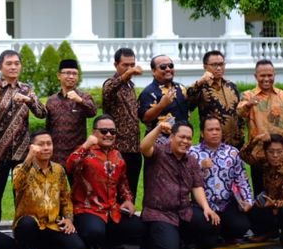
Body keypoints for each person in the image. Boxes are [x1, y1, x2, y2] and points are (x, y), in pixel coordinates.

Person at [67, 115, 144, 249]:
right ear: (94, 132)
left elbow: (123, 182)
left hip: (111, 209)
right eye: (103, 131)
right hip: (87, 209)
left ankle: (106, 241)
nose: (108, 134)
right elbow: (70, 166)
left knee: (139, 228)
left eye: (112, 131)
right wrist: (86, 145)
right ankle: (89, 245)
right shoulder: (84, 152)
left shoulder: (117, 155)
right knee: (93, 232)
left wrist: (128, 200)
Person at [139, 121, 219, 249]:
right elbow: (144, 147)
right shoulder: (158, 152)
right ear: (171, 137)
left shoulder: (191, 160)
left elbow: (197, 186)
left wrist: (206, 208)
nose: (185, 141)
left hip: (183, 211)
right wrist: (158, 128)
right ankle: (148, 242)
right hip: (160, 213)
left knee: (209, 228)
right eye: (181, 137)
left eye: (189, 138)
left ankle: (180, 239)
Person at [12, 129, 86, 249]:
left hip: (52, 223)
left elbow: (65, 197)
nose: (46, 147)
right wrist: (29, 158)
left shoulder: (58, 169)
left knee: (77, 248)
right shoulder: (21, 168)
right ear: (32, 147)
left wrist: (68, 219)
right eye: (41, 144)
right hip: (29, 225)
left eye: (49, 144)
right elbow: (17, 184)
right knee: (27, 223)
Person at [0, 50, 45, 228]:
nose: (13, 67)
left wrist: (29, 100)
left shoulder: (27, 89)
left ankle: (23, 237)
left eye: (16, 63)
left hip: (22, 153)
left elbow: (42, 113)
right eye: (9, 63)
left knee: (23, 197)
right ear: (0, 67)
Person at [237, 60, 283, 193]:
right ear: (255, 76)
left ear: (274, 75)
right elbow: (240, 112)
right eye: (262, 75)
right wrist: (248, 104)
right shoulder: (248, 95)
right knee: (261, 195)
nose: (266, 79)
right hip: (259, 155)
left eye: (269, 75)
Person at [187, 117, 252, 247]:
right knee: (207, 242)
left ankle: (225, 234)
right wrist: (200, 166)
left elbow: (242, 179)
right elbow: (185, 180)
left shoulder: (233, 152)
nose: (215, 132)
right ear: (202, 133)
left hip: (226, 204)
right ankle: (211, 234)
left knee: (241, 226)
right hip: (204, 206)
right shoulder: (192, 153)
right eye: (210, 130)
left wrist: (248, 201)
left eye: (217, 129)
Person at [240, 133, 283, 249]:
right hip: (269, 208)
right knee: (250, 208)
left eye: (279, 152)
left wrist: (274, 204)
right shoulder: (264, 165)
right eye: (271, 152)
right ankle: (266, 232)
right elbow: (243, 155)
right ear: (265, 152)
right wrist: (256, 139)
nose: (275, 155)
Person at [102, 47, 144, 197]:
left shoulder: (130, 86)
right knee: (116, 192)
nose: (129, 68)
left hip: (134, 148)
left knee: (131, 191)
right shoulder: (111, 84)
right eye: (125, 65)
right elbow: (108, 91)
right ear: (115, 65)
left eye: (132, 65)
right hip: (117, 149)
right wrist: (128, 74)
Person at [45, 59, 97, 170]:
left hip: (77, 154)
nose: (71, 76)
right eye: (67, 73)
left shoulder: (84, 97)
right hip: (56, 156)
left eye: (74, 74)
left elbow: (92, 112)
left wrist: (80, 100)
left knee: (77, 187)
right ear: (59, 75)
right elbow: (48, 127)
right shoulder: (51, 100)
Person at [186, 50, 243, 148]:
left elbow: (239, 113)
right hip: (211, 143)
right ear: (205, 67)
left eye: (221, 64)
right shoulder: (201, 87)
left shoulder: (232, 86)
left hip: (235, 143)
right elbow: (188, 103)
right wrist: (200, 82)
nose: (219, 68)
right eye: (214, 65)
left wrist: (242, 134)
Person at [138, 55, 193, 133]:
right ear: (153, 71)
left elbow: (190, 107)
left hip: (182, 138)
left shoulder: (181, 88)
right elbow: (145, 118)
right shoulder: (148, 92)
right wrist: (161, 105)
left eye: (171, 66)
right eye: (163, 67)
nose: (168, 69)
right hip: (159, 141)